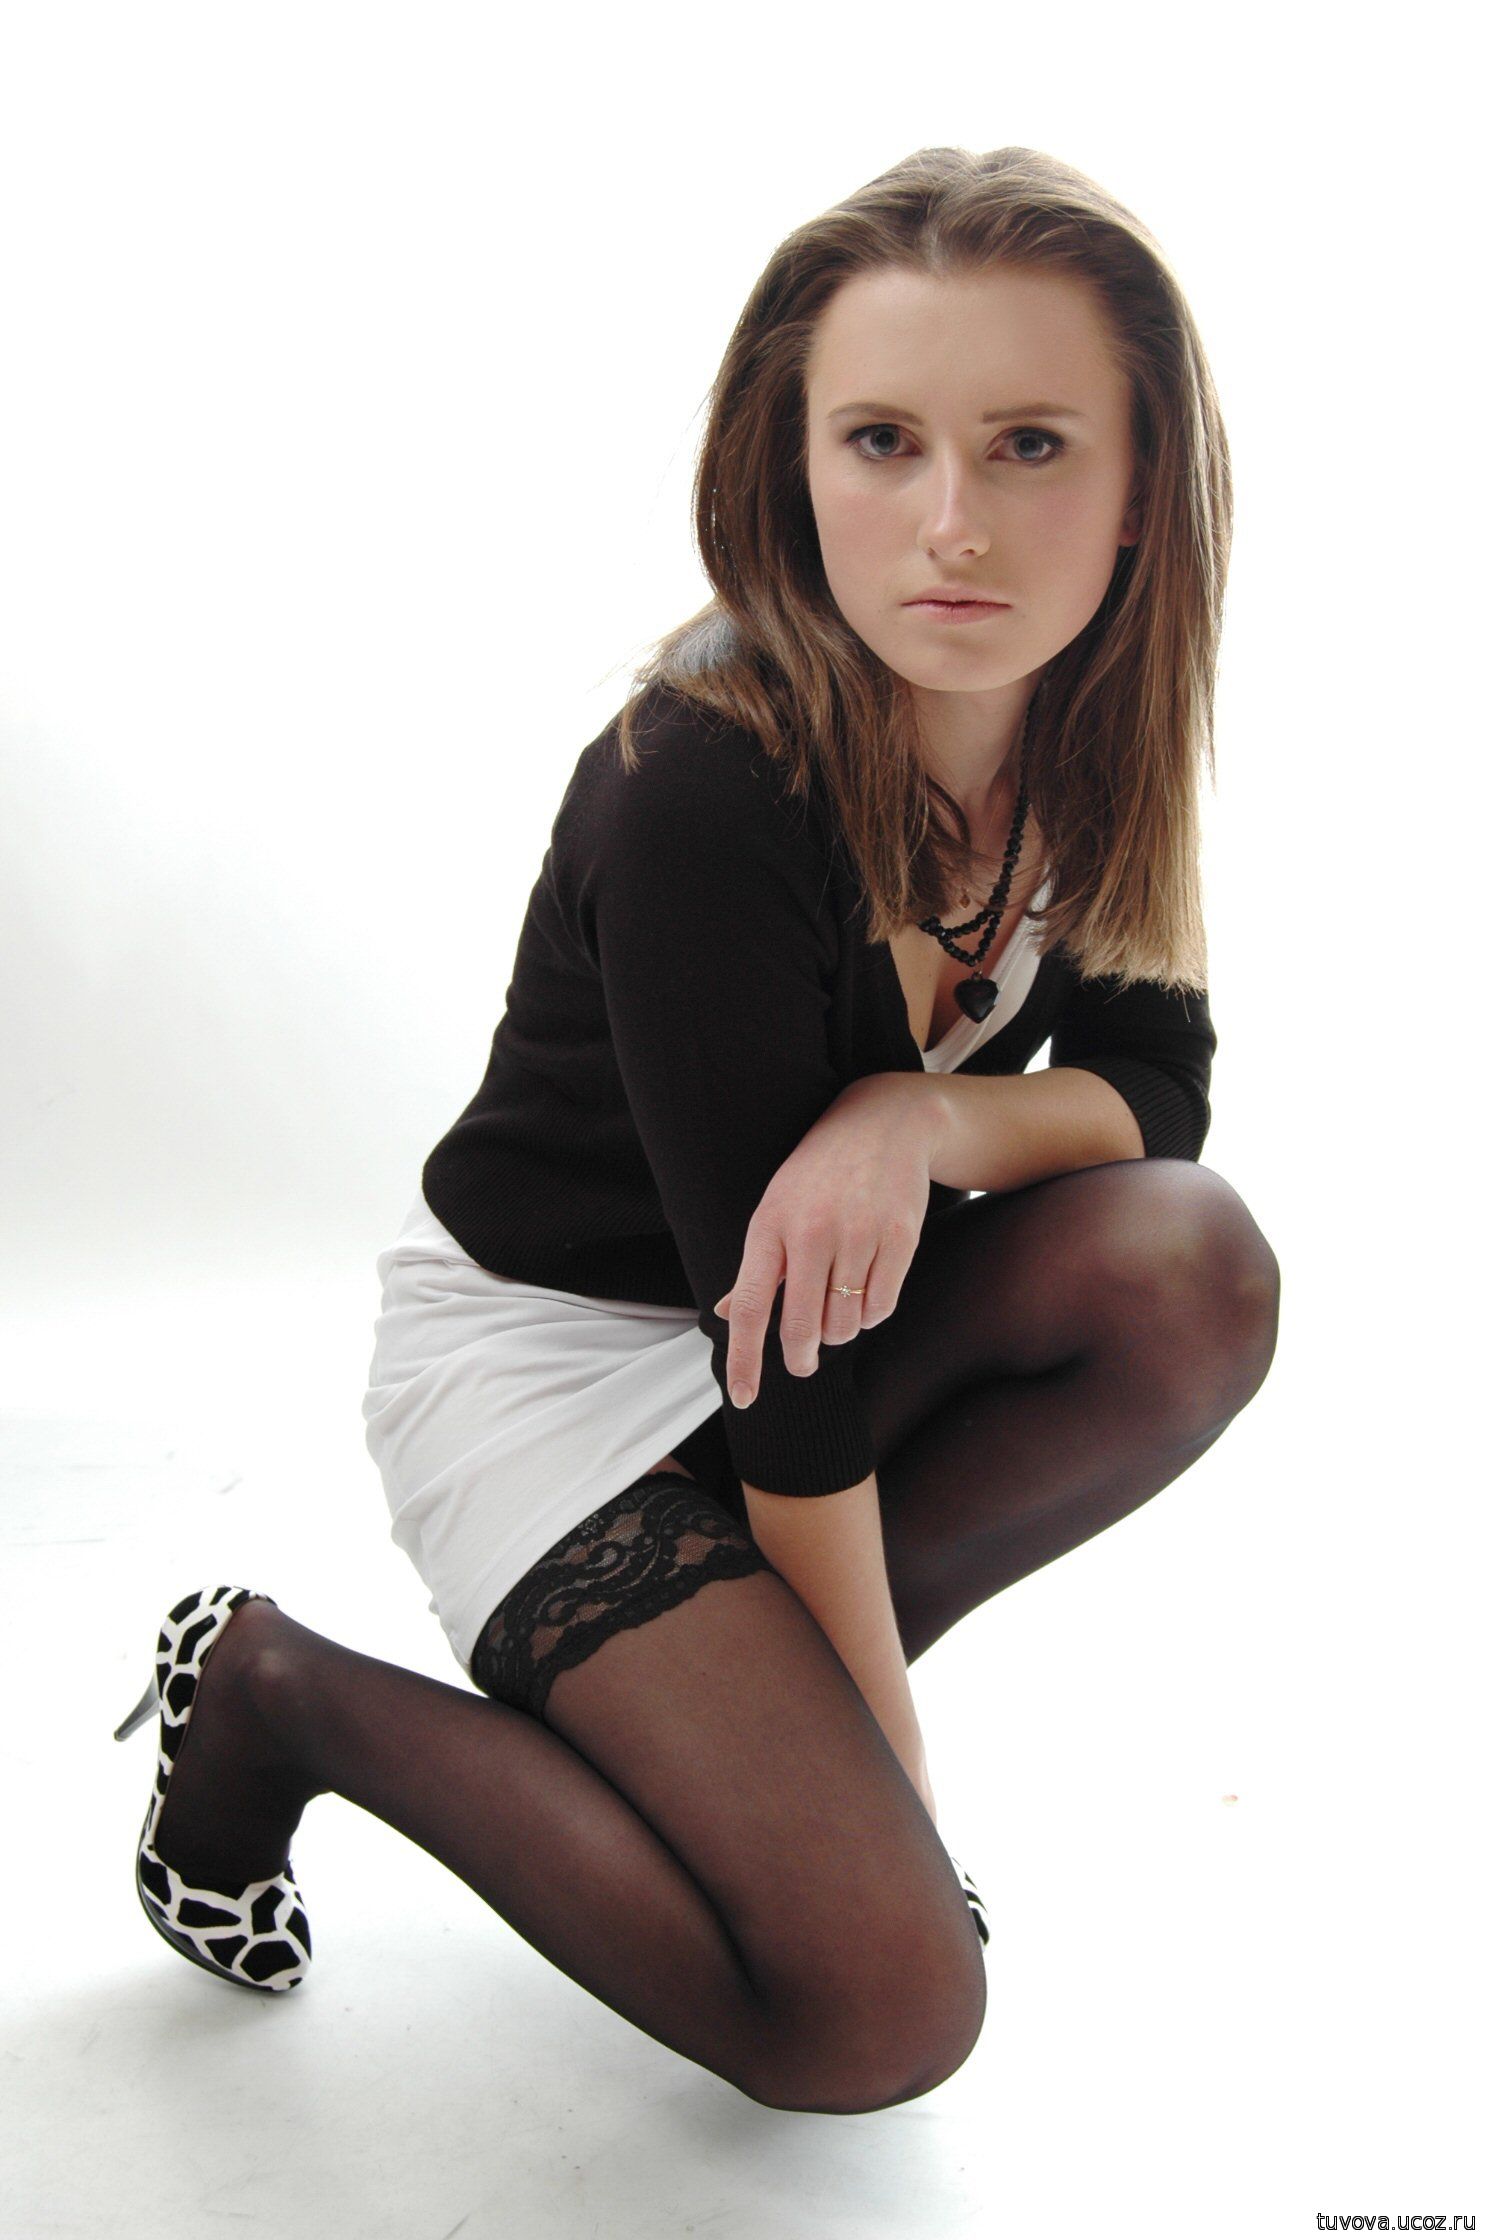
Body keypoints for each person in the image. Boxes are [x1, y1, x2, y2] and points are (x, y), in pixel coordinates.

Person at [113, 143, 1280, 2116]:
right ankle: (275, 1692)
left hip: (806, 1314)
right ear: (791, 464)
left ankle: (719, 1737)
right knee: (880, 2015)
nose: (953, 524)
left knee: (1190, 1262)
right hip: (554, 1366)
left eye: (1029, 446)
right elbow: (787, 1377)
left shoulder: (1086, 726)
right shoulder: (706, 783)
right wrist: (896, 1783)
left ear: (1145, 485)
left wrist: (914, 1115)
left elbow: (1157, 1095)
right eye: (884, 441)